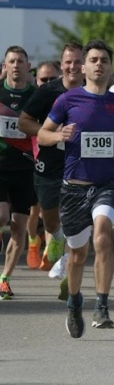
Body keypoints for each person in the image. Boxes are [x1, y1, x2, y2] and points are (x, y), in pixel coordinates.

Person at [37, 40, 114, 337]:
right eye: (93, 59)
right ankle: (76, 302)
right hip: (74, 186)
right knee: (77, 255)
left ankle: (102, 304)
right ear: (84, 66)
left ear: (110, 66)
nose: (99, 64)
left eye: (104, 59)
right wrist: (58, 135)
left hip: (107, 183)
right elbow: (42, 135)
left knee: (103, 236)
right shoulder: (68, 100)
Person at [19, 43, 84, 278]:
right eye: (68, 62)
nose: (73, 66)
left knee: (76, 219)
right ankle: (55, 239)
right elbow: (23, 122)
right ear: (62, 64)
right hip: (49, 164)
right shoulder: (48, 92)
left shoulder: (92, 91)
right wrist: (53, 134)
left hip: (81, 165)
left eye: (78, 61)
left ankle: (67, 260)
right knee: (51, 221)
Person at [0, 46, 37, 299]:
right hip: (0, 164)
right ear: (5, 66)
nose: (16, 65)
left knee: (19, 226)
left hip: (25, 168)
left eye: (20, 61)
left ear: (28, 66)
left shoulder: (36, 96)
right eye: (11, 61)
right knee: (2, 217)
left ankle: (5, 278)